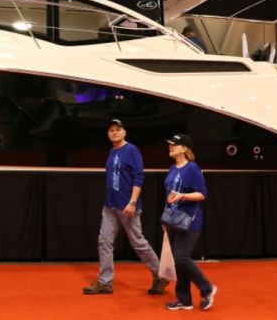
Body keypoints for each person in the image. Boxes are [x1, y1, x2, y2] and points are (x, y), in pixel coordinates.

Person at [83, 119, 168, 296]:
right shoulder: (112, 151)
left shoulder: (131, 150)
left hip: (127, 206)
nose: (114, 132)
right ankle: (105, 282)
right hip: (110, 206)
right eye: (111, 130)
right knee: (104, 242)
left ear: (124, 132)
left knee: (138, 243)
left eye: (118, 130)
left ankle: (160, 275)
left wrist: (132, 202)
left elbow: (138, 177)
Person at [162, 133, 216, 311]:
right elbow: (169, 195)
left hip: (189, 221)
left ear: (184, 148)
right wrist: (165, 217)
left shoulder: (192, 168)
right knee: (179, 261)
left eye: (174, 144)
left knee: (181, 257)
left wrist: (183, 196)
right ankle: (184, 300)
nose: (170, 146)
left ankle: (207, 288)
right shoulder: (172, 168)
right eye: (170, 144)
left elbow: (202, 194)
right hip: (173, 219)